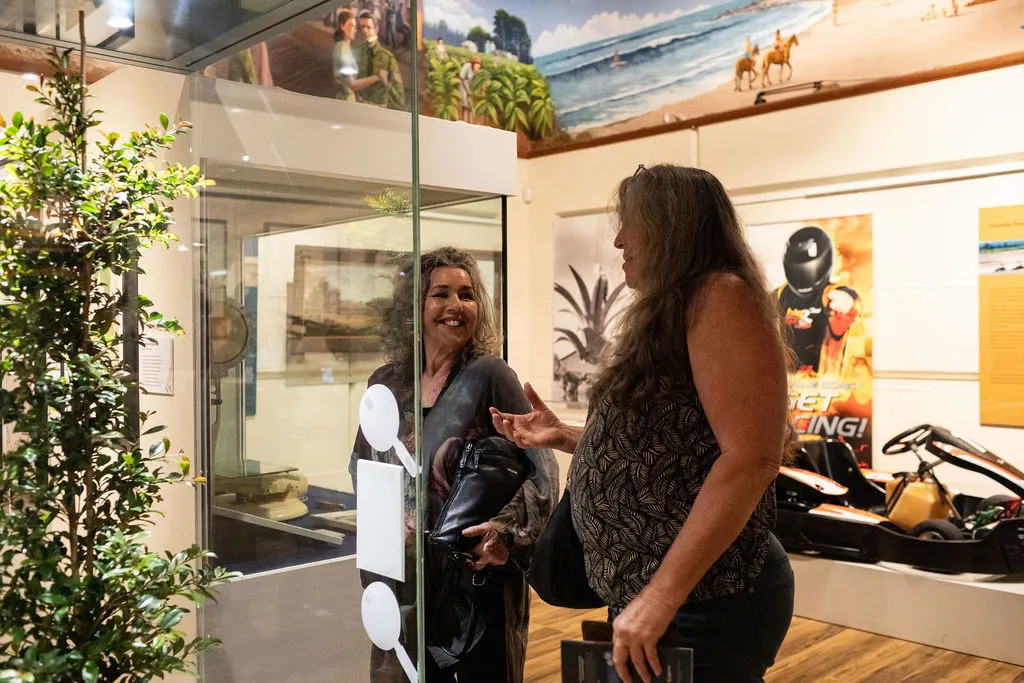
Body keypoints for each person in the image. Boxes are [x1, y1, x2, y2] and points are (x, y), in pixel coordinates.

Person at [491, 164, 796, 683]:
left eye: (629, 224)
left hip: (705, 597)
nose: (619, 239)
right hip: (660, 597)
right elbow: (668, 448)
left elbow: (751, 457)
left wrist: (659, 596)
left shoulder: (720, 296)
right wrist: (566, 436)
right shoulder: (674, 309)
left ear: (667, 226)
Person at [349, 247, 558, 682]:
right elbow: (362, 466)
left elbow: (542, 472)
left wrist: (503, 532)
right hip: (403, 577)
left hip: (473, 580)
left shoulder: (491, 376)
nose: (455, 306)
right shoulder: (386, 384)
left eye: (466, 294)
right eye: (440, 294)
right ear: (415, 307)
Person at [774, 225, 861, 376]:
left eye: (806, 270)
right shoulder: (782, 293)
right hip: (789, 376)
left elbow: (848, 296)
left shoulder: (828, 293)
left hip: (823, 376)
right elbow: (759, 304)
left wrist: (847, 300)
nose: (802, 277)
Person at [354, 10, 405, 109]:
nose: (365, 31)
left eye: (368, 27)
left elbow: (400, 99)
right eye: (362, 27)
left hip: (379, 111)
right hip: (358, 107)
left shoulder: (387, 58)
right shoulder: (357, 53)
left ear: (376, 29)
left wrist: (386, 82)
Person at [458, 57, 481, 123]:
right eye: (476, 65)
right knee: (464, 102)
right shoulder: (467, 66)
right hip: (463, 84)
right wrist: (467, 90)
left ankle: (469, 121)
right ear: (473, 64)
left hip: (469, 87)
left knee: (470, 104)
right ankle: (462, 119)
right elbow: (462, 77)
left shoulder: (475, 70)